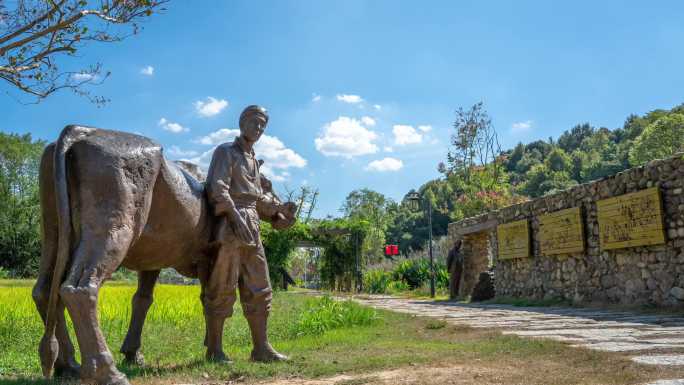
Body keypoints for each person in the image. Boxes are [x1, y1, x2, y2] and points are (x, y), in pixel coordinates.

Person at [203, 105, 290, 363]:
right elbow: (216, 188)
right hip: (230, 227)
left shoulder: (253, 160)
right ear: (242, 123)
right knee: (222, 285)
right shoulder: (225, 152)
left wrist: (278, 214)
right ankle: (215, 350)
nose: (259, 129)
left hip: (252, 227)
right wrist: (234, 216)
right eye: (255, 123)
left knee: (260, 287)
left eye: (263, 125)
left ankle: (261, 348)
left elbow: (258, 200)